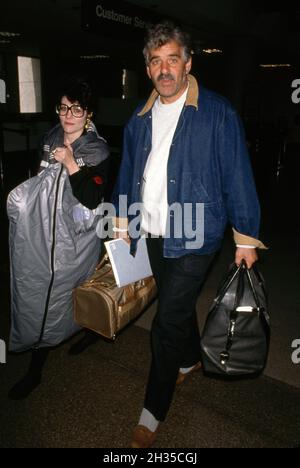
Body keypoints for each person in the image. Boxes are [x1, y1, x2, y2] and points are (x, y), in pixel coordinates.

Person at [111, 21, 266, 448]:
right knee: (177, 311)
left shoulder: (216, 113)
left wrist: (245, 239)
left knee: (166, 320)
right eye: (156, 62)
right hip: (154, 234)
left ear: (188, 63)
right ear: (147, 68)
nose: (164, 70)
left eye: (172, 60)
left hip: (197, 235)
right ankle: (189, 358)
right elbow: (128, 172)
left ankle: (152, 409)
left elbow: (238, 176)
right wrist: (123, 223)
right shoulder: (139, 120)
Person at [7, 77, 109, 399]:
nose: (68, 115)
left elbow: (93, 197)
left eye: (76, 109)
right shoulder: (50, 138)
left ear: (88, 114)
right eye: (63, 107)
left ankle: (76, 339)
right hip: (46, 234)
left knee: (64, 295)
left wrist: (70, 164)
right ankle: (41, 362)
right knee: (45, 297)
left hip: (77, 239)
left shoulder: (97, 150)